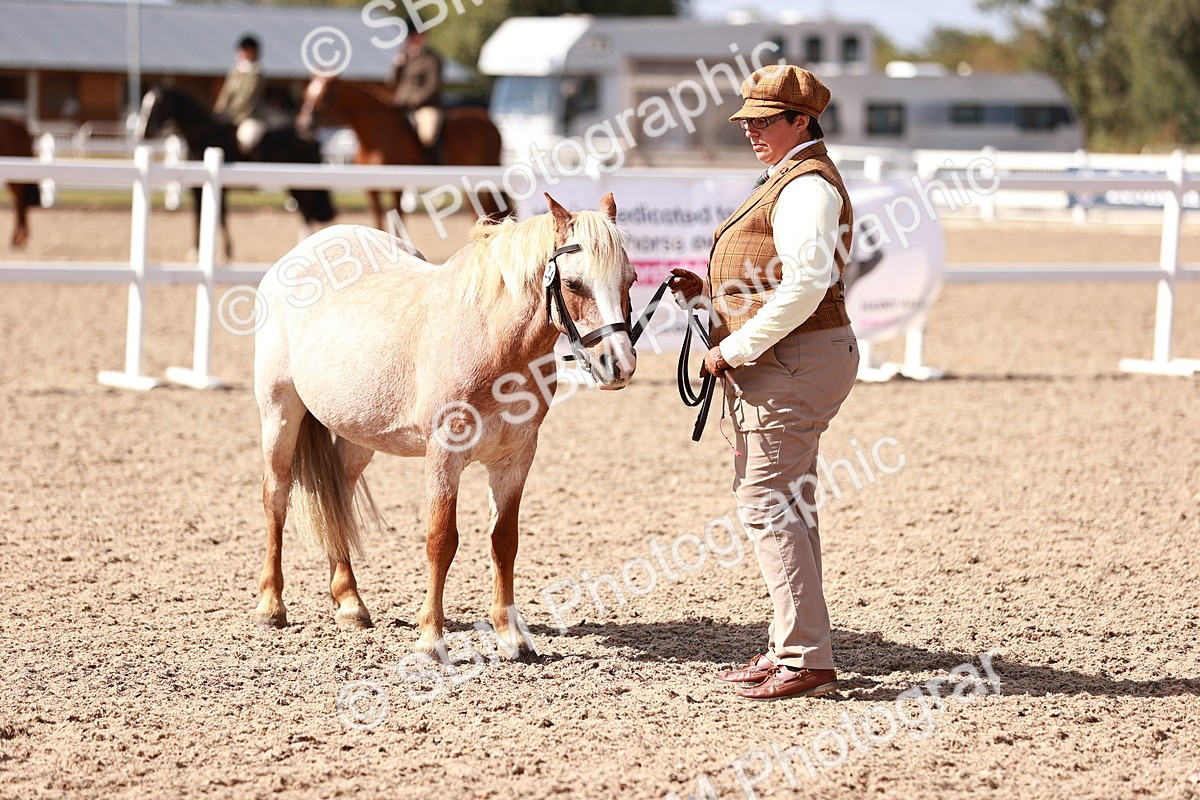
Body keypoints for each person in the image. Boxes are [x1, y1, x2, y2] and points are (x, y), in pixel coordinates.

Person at [668, 64, 859, 701]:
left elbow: (807, 284)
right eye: (748, 120)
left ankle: (806, 656)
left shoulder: (807, 186)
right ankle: (792, 645)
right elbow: (780, 279)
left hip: (792, 360)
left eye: (764, 120)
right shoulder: (788, 179)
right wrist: (711, 296)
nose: (751, 130)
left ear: (800, 121)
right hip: (792, 356)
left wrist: (734, 346)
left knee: (766, 502)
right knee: (789, 502)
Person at [386, 20, 443, 149]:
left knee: (427, 135)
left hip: (425, 106)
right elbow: (391, 82)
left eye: (414, 35)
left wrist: (416, 99)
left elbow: (433, 86)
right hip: (400, 105)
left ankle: (432, 162)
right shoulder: (405, 57)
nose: (410, 39)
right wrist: (397, 66)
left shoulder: (432, 59)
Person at [213, 35, 267, 157]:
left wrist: (231, 112)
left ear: (252, 51)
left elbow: (247, 97)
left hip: (250, 117)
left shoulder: (256, 73)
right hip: (230, 116)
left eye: (244, 50)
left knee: (247, 139)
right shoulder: (234, 72)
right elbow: (225, 94)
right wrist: (218, 112)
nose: (241, 53)